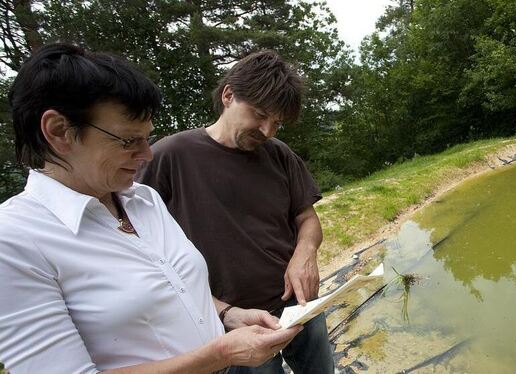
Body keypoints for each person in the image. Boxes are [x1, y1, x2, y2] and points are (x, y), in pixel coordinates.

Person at [0, 43, 302, 374]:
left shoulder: (144, 199)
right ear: (59, 132)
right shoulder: (13, 241)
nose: (147, 155)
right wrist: (220, 354)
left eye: (147, 138)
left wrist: (229, 315)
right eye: (129, 141)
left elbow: (178, 290)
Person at [136, 50, 334, 373]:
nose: (268, 131)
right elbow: (141, 249)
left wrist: (305, 252)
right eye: (259, 114)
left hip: (299, 306)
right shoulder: (168, 157)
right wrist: (221, 312)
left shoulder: (280, 155)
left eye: (277, 123)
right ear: (229, 95)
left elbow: (306, 217)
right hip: (233, 327)